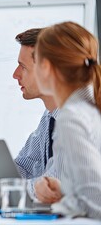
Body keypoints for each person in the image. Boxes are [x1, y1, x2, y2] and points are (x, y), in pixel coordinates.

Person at [34, 21, 101, 218]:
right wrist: (66, 193)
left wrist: (65, 204)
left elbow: (96, 200)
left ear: (45, 67)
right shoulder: (90, 107)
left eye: (35, 61)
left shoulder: (72, 116)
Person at [12, 28, 59, 198]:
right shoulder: (50, 116)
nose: (15, 75)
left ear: (47, 71)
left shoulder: (77, 118)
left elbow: (54, 184)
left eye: (23, 67)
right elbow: (25, 166)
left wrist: (4, 189)